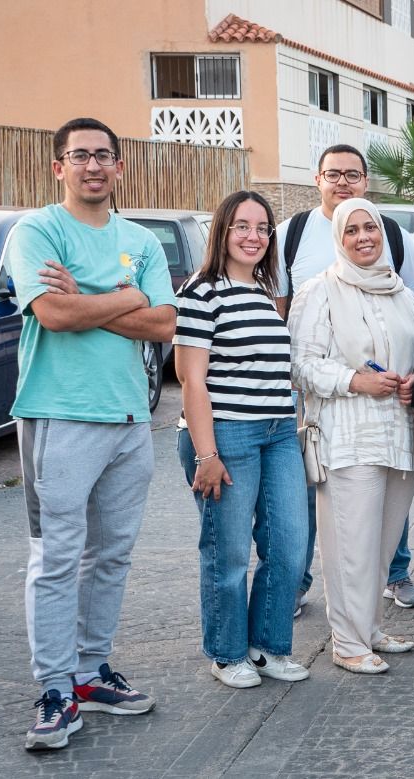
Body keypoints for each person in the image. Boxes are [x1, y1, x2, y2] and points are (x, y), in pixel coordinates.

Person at [10, 117, 174, 751]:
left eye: (105, 155)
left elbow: (166, 324)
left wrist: (94, 299)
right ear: (59, 167)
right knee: (56, 558)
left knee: (111, 556)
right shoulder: (39, 229)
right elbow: (51, 313)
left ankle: (89, 673)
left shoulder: (142, 239)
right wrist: (125, 297)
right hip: (59, 414)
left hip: (132, 420)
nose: (93, 165)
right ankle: (54, 690)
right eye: (80, 156)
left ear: (120, 166)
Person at [277, 144, 414, 613]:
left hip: (395, 421)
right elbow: (294, 344)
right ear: (317, 179)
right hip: (338, 419)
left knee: (380, 522)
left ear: (366, 182)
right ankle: (322, 606)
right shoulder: (296, 241)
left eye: (352, 175)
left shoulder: (398, 249)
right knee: (339, 520)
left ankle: (380, 601)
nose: (343, 183)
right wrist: (351, 380)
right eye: (333, 174)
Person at [174, 191, 310, 689]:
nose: (253, 236)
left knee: (289, 546)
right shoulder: (201, 290)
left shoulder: (263, 288)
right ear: (222, 232)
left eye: (262, 228)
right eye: (241, 226)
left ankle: (269, 647)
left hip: (278, 434)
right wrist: (206, 454)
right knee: (228, 553)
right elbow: (191, 379)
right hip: (226, 435)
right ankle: (227, 652)